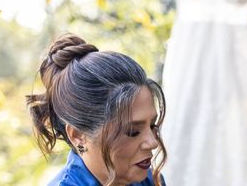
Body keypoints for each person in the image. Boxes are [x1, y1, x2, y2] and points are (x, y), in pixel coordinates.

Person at [26, 33, 167, 186]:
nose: (153, 142)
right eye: (133, 132)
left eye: (152, 126)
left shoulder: (149, 180)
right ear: (78, 135)